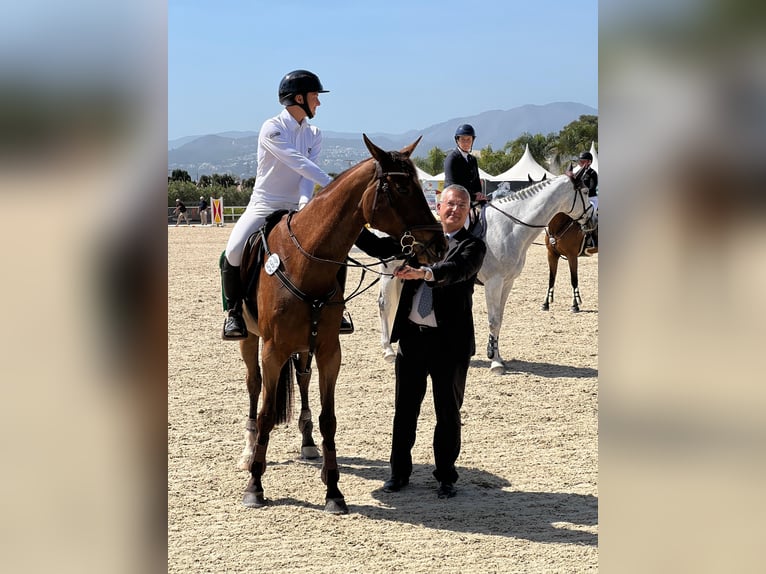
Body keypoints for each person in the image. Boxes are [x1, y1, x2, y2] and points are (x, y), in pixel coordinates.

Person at [355, 184, 486, 499]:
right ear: (438, 206)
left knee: (447, 412)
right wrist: (352, 218)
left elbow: (456, 270)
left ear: (468, 211)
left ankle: (446, 477)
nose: (454, 209)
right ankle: (399, 474)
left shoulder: (474, 246)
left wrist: (425, 273)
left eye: (461, 206)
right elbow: (377, 246)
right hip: (412, 339)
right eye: (449, 204)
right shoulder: (417, 238)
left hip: (450, 344)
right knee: (404, 411)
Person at [220, 69, 352, 339]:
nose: (319, 102)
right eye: (315, 96)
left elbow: (306, 173)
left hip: (297, 205)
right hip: (265, 203)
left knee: (336, 251)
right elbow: (297, 161)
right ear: (300, 98)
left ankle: (338, 308)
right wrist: (332, 185)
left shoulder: (314, 133)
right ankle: (234, 313)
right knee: (233, 251)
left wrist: (305, 203)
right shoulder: (272, 128)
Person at [443, 124, 488, 236]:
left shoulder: (472, 159)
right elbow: (452, 185)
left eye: (469, 139)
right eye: (463, 139)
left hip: (470, 201)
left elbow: (476, 181)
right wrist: (473, 196)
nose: (466, 142)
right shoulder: (452, 158)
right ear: (457, 140)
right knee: (465, 224)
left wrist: (480, 194)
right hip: (454, 201)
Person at [568, 151, 599, 251]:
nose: (580, 163)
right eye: (580, 161)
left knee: (591, 215)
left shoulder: (593, 173)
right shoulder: (578, 173)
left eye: (583, 161)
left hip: (591, 198)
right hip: (581, 198)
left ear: (589, 162)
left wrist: (581, 189)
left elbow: (592, 187)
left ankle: (595, 242)